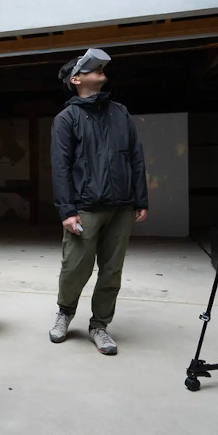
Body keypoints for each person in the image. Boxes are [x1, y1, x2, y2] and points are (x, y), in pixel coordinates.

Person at [49, 48, 148, 355]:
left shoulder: (120, 113)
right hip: (85, 207)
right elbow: (61, 167)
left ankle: (99, 326)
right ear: (76, 79)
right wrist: (67, 210)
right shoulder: (67, 119)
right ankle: (65, 312)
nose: (101, 72)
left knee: (111, 271)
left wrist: (139, 198)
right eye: (93, 69)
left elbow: (135, 157)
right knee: (75, 267)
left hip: (120, 206)